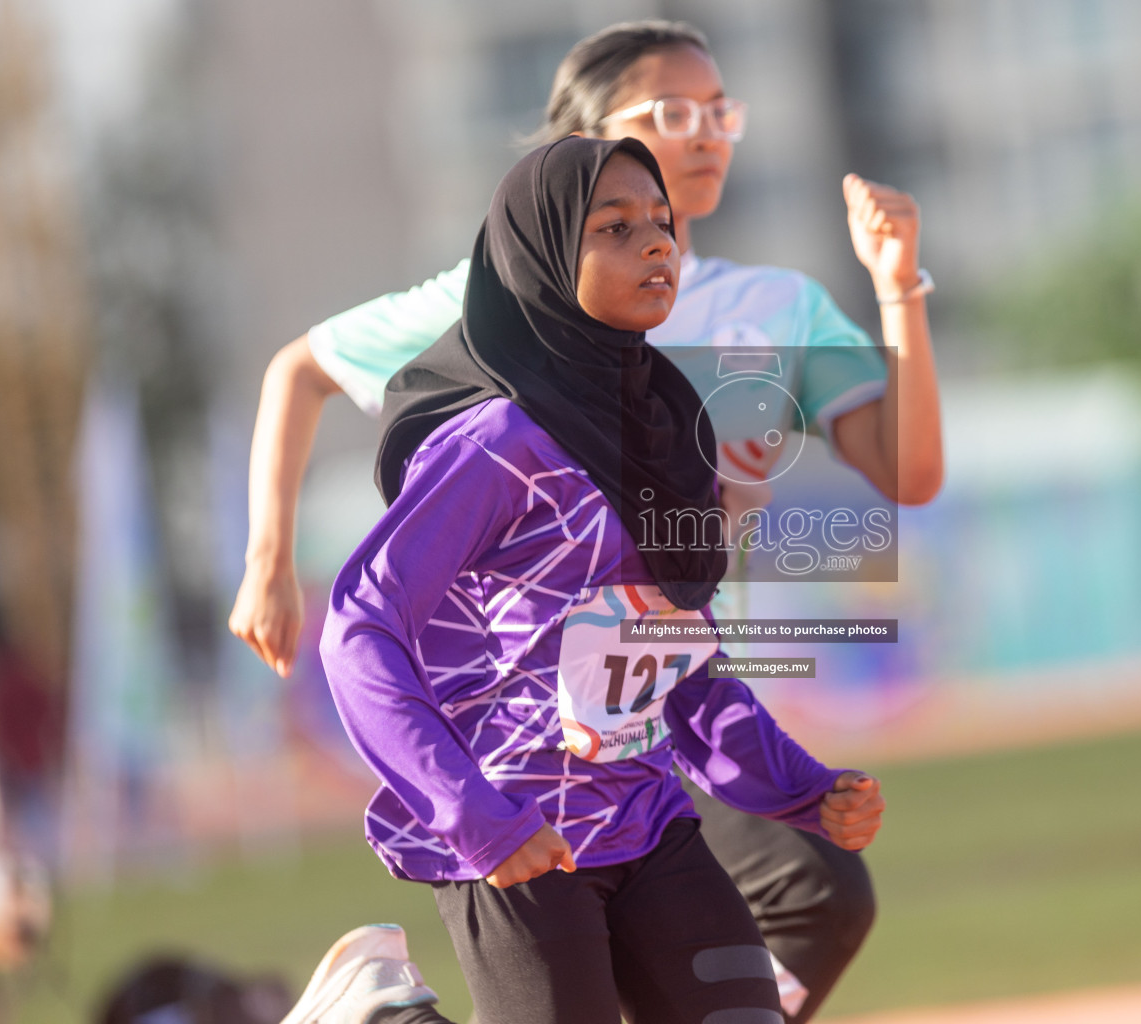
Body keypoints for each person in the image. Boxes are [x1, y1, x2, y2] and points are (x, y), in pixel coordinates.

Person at [231, 20, 941, 1022]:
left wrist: (800, 788)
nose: (656, 241)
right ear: (545, 252)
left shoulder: (675, 432)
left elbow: (670, 652)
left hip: (644, 819)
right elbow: (360, 632)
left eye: (660, 224)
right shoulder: (492, 443)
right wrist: (473, 815)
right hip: (512, 829)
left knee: (802, 917)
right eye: (616, 226)